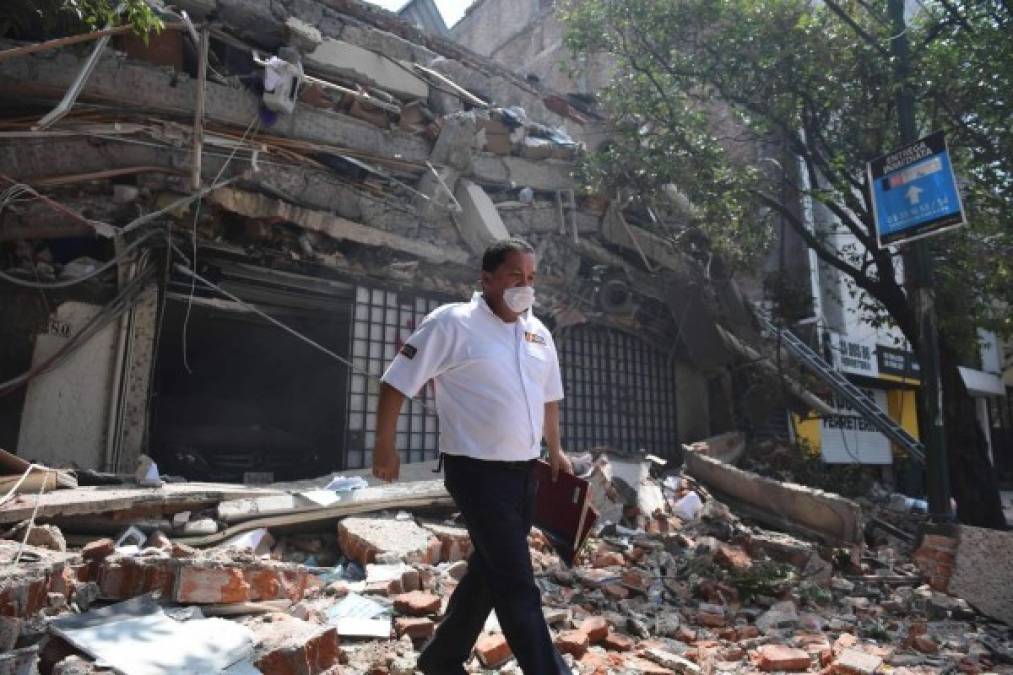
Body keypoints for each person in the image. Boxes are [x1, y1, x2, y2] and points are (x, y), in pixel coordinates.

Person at [372, 237, 573, 675]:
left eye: (531, 278)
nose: (526, 286)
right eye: (515, 277)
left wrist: (555, 449)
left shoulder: (538, 332)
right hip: (476, 473)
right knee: (517, 583)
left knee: (490, 569)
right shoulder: (453, 323)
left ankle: (441, 659)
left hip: (524, 473)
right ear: (487, 279)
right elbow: (396, 382)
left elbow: (549, 398)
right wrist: (385, 444)